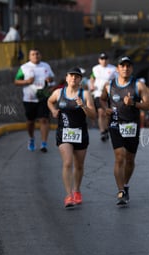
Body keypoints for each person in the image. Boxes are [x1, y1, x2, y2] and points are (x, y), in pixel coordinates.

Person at [100, 56, 149, 205]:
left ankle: (126, 185)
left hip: (132, 125)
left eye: (128, 66)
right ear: (117, 68)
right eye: (122, 66)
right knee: (120, 156)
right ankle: (120, 189)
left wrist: (134, 103)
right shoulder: (109, 85)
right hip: (115, 123)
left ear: (132, 68)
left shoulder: (139, 85)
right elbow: (102, 99)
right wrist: (105, 109)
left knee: (129, 159)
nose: (125, 68)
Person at [47, 67, 96, 208]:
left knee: (79, 165)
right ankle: (68, 195)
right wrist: (54, 111)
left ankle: (77, 191)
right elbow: (49, 101)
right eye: (71, 76)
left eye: (77, 76)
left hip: (81, 133)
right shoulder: (59, 92)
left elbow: (93, 116)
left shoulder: (85, 94)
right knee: (68, 162)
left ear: (80, 80)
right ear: (67, 78)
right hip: (64, 132)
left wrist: (83, 107)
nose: (74, 78)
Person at [14, 48, 55, 152]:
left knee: (44, 119)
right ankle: (31, 138)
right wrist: (27, 81)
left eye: (37, 54)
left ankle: (44, 143)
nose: (35, 56)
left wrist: (49, 80)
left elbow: (52, 78)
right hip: (29, 99)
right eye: (33, 54)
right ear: (29, 56)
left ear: (40, 55)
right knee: (30, 121)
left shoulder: (46, 66)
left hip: (43, 97)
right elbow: (16, 81)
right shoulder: (24, 67)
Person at [89, 52, 117, 141]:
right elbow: (92, 78)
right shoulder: (95, 68)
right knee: (101, 112)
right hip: (98, 93)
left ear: (108, 60)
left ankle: (106, 129)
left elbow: (118, 79)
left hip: (109, 93)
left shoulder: (113, 69)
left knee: (107, 113)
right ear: (99, 60)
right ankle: (102, 131)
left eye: (105, 59)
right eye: (102, 59)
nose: (104, 61)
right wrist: (92, 85)